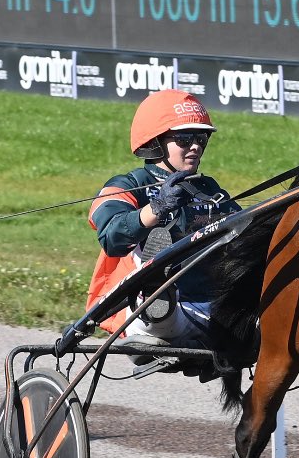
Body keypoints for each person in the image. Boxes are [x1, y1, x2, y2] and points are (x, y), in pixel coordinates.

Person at [86, 89, 240, 349]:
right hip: (140, 313)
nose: (195, 146)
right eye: (185, 138)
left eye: (201, 138)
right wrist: (156, 208)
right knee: (160, 302)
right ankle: (156, 292)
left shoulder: (209, 189)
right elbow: (112, 237)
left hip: (210, 306)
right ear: (156, 142)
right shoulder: (127, 185)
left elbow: (243, 231)